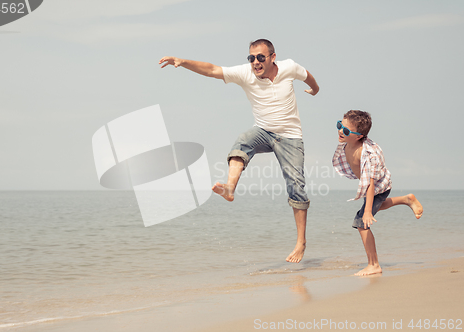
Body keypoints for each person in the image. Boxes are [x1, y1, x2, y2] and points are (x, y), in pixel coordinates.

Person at [159, 39, 319, 263]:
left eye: (260, 57)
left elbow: (307, 74)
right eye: (251, 58)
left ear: (273, 57)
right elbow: (213, 69)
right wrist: (183, 61)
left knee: (296, 185)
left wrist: (315, 88)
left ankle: (301, 242)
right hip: (263, 130)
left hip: (291, 137)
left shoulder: (289, 67)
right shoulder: (245, 73)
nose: (255, 62)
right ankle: (229, 188)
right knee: (242, 142)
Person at [332, 110, 424, 276]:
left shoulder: (367, 154)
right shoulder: (348, 141)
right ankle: (407, 199)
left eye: (345, 130)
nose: (340, 131)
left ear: (359, 136)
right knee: (377, 208)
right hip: (374, 185)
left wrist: (367, 212)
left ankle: (374, 264)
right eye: (339, 125)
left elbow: (370, 184)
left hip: (377, 187)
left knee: (362, 223)